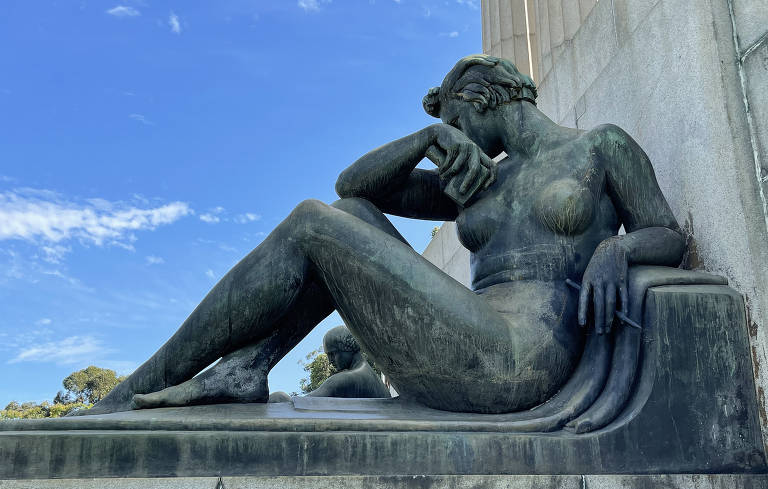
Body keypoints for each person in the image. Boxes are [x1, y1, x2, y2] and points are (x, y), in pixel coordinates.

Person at [78, 55, 684, 416]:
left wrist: (618, 248)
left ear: (485, 100)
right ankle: (249, 364)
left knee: (313, 221)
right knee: (345, 216)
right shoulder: (479, 185)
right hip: (468, 335)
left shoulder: (598, 146)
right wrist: (424, 141)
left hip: (522, 357)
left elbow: (666, 234)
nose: (455, 134)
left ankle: (138, 387)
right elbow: (355, 186)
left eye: (454, 121)